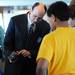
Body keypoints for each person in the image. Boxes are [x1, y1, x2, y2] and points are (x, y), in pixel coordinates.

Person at [3, 2, 50, 75]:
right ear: (31, 10)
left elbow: (43, 48)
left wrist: (30, 53)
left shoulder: (46, 26)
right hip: (14, 66)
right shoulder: (15, 21)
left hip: (31, 68)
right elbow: (6, 43)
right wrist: (12, 54)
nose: (36, 20)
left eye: (40, 18)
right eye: (34, 16)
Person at [36, 1, 75, 75]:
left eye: (48, 20)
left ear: (54, 18)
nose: (49, 23)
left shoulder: (50, 38)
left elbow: (41, 68)